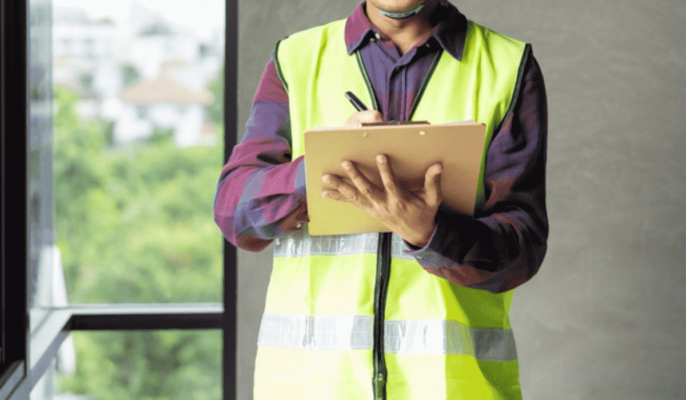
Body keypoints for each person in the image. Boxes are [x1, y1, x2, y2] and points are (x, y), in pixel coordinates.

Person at [214, 0, 548, 398]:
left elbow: (522, 249)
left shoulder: (508, 66)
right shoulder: (296, 59)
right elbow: (234, 211)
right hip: (312, 386)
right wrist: (322, 164)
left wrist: (431, 233)